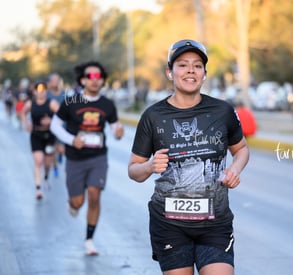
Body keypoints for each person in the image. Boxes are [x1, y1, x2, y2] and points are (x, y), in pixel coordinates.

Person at [128, 39, 250, 275]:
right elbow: (133, 170)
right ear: (170, 72)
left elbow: (241, 149)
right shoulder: (153, 116)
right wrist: (150, 166)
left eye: (197, 65)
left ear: (204, 74)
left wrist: (234, 169)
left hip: (215, 223)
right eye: (182, 65)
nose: (190, 70)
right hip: (169, 224)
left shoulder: (222, 111)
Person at [50, 61, 124, 255]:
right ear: (83, 80)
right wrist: (71, 140)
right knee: (78, 202)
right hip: (75, 158)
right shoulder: (71, 102)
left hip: (98, 157)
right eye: (90, 76)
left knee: (94, 195)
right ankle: (72, 204)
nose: (95, 80)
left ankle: (89, 239)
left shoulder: (107, 104)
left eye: (98, 76)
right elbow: (54, 126)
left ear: (102, 80)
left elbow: (115, 127)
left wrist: (118, 131)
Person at [21, 81, 60, 199]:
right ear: (34, 92)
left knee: (47, 162)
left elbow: (62, 116)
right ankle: (38, 188)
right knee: (38, 161)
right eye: (38, 90)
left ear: (46, 91)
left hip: (49, 135)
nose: (41, 93)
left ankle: (46, 177)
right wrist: (26, 123)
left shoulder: (52, 103)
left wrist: (52, 121)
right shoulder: (30, 104)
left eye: (43, 90)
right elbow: (23, 113)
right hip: (36, 134)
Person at [47, 73, 66, 177]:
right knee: (53, 149)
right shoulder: (47, 95)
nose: (56, 82)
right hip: (50, 127)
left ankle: (60, 155)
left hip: (63, 126)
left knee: (62, 148)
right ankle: (55, 167)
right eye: (53, 80)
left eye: (57, 80)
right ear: (49, 82)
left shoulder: (64, 95)